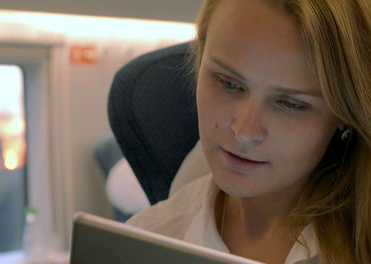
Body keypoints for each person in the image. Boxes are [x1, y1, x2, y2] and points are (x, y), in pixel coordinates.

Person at [127, 0, 370, 263]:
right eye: (228, 83)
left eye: (291, 104)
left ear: (345, 113)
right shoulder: (145, 239)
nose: (244, 132)